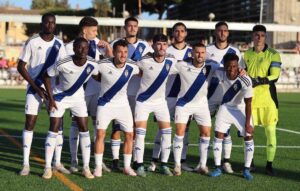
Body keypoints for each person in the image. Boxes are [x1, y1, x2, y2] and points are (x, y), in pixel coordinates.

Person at [17, 13, 68, 176]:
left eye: (53, 23)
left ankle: (56, 162)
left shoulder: (60, 44)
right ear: (42, 23)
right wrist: (35, 87)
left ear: (55, 24)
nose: (50, 25)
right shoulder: (32, 41)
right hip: (35, 88)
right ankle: (25, 164)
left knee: (57, 125)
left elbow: (64, 68)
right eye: (47, 22)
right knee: (30, 123)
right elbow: (20, 66)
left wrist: (60, 88)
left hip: (53, 91)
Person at [42, 37, 99, 179]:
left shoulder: (92, 63)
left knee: (84, 129)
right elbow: (46, 76)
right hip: (60, 97)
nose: (83, 50)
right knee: (54, 127)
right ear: (74, 49)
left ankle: (86, 168)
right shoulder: (63, 63)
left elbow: (98, 76)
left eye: (85, 48)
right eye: (80, 47)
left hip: (78, 98)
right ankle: (48, 167)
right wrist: (50, 98)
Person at [65, 16, 113, 173]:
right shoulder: (70, 46)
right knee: (76, 125)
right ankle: (74, 160)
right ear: (84, 30)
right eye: (93, 30)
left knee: (97, 126)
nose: (96, 33)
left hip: (97, 91)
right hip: (78, 93)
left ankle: (98, 161)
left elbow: (107, 67)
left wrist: (107, 50)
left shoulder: (99, 44)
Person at [149, 22, 194, 172]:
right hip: (166, 96)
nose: (179, 33)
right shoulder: (166, 52)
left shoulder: (192, 52)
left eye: (182, 31)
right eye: (177, 31)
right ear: (172, 33)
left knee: (184, 129)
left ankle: (182, 161)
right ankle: (155, 161)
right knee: (162, 129)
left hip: (185, 98)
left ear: (186, 33)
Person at [109, 17, 153, 170]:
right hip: (119, 92)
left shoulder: (145, 46)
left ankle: (133, 158)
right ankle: (115, 160)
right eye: (130, 26)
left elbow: (150, 66)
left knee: (132, 127)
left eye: (135, 26)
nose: (132, 28)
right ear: (125, 27)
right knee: (116, 127)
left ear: (138, 28)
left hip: (137, 92)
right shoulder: (116, 43)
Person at [93, 40, 139, 177]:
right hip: (105, 104)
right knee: (100, 134)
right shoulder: (102, 64)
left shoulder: (132, 66)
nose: (123, 55)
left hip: (123, 105)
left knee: (130, 135)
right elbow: (92, 73)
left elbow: (145, 73)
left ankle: (126, 167)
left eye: (125, 52)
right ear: (114, 52)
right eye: (120, 52)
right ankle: (98, 167)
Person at [172, 43, 219, 176]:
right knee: (180, 132)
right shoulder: (182, 65)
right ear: (192, 53)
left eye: (202, 53)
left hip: (202, 105)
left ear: (205, 53)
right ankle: (177, 166)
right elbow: (164, 66)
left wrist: (241, 70)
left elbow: (227, 69)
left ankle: (202, 165)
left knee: (206, 133)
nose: (200, 55)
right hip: (183, 104)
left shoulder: (212, 66)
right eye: (197, 52)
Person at [134, 34, 177, 177]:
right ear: (153, 46)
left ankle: (163, 164)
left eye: (164, 44)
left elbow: (188, 66)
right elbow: (132, 70)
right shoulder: (144, 60)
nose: (161, 47)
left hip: (160, 103)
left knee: (167, 133)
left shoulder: (171, 60)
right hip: (143, 102)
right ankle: (139, 164)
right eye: (158, 44)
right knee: (140, 134)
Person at [205, 21, 244, 173]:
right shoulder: (207, 50)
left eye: (225, 31)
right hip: (210, 95)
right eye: (220, 30)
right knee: (205, 129)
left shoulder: (235, 51)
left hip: (228, 96)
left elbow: (241, 70)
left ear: (228, 33)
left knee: (225, 130)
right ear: (215, 32)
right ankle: (203, 162)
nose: (222, 33)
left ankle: (226, 162)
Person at [209, 53, 254, 181]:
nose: (232, 69)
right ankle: (218, 167)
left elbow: (249, 103)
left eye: (234, 66)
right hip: (226, 108)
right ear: (224, 65)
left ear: (238, 65)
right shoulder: (219, 72)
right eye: (229, 66)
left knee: (249, 135)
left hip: (241, 109)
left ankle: (246, 169)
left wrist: (247, 123)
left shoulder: (245, 79)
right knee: (218, 135)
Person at [244, 25, 281, 176]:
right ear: (252, 36)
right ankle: (250, 162)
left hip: (268, 101)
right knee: (248, 133)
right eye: (257, 35)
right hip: (250, 101)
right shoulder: (246, 54)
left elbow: (275, 75)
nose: (259, 38)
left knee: (271, 133)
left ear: (265, 37)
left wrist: (260, 80)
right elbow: (244, 73)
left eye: (262, 35)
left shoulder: (273, 54)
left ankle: (269, 164)